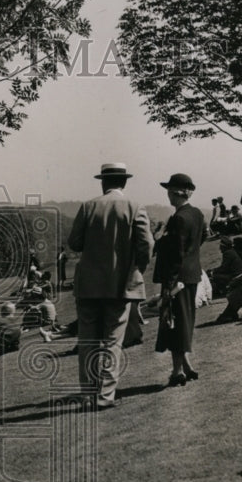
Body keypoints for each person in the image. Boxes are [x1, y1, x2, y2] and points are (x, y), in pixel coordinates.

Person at [67, 162, 152, 408]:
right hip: (120, 285)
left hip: (89, 286)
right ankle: (105, 395)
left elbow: (74, 243)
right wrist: (136, 268)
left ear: (103, 182)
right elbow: (146, 245)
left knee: (88, 341)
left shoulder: (88, 206)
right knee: (112, 341)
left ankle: (87, 394)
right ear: (124, 182)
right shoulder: (136, 207)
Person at [153, 173, 205, 387]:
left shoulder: (178, 218)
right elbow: (200, 240)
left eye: (169, 191)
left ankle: (177, 371)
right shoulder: (197, 214)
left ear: (176, 193)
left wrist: (159, 239)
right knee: (184, 320)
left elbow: (175, 254)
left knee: (173, 322)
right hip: (191, 275)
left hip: (177, 279)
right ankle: (187, 366)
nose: (168, 195)